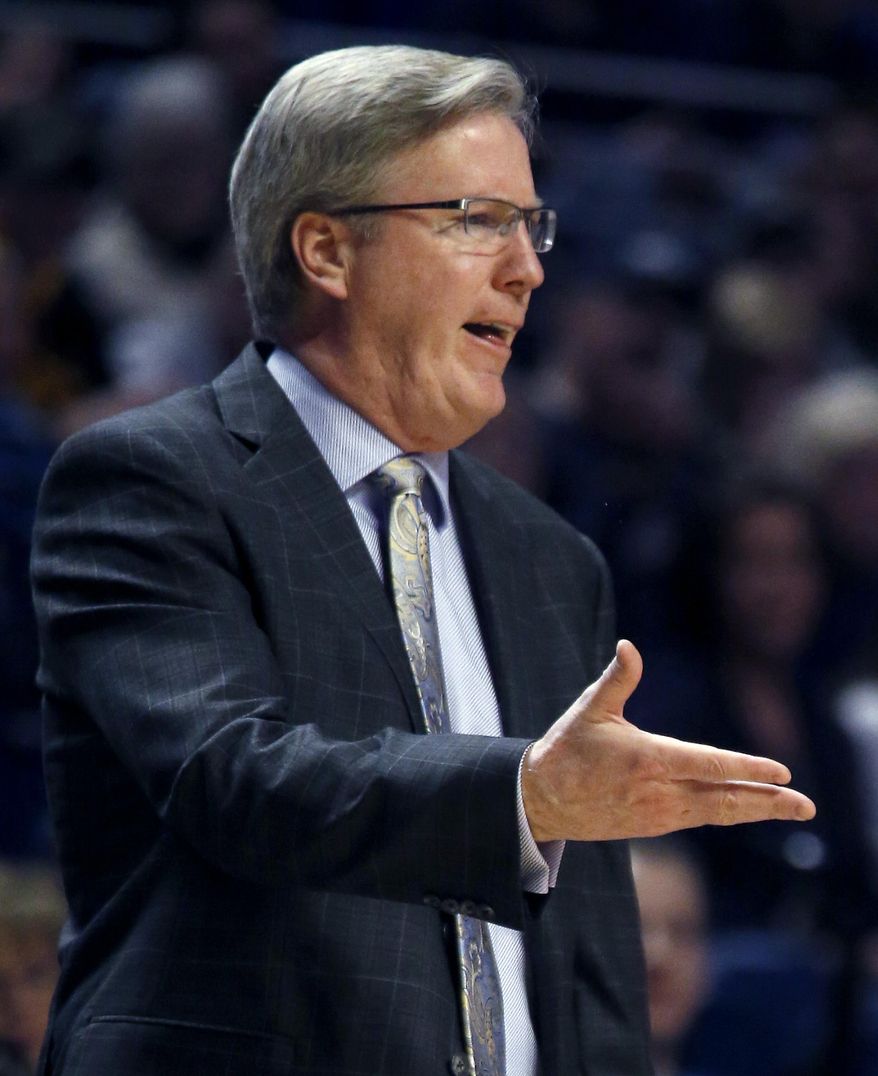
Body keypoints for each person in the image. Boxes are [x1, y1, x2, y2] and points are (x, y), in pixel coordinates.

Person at [30, 45, 815, 1076]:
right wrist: (523, 796)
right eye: (476, 219)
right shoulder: (149, 479)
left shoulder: (550, 557)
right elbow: (234, 778)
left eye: (530, 225)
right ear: (325, 250)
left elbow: (587, 959)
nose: (526, 267)